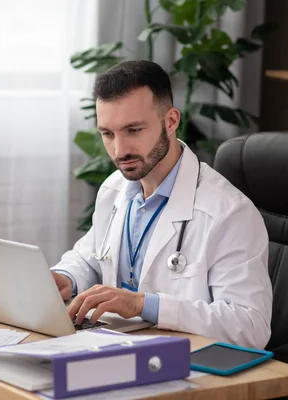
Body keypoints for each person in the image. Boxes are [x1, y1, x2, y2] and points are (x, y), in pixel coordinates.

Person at [51, 60, 272, 349]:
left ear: (170, 121)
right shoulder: (114, 189)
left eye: (133, 130)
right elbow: (92, 257)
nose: (119, 150)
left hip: (191, 368)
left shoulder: (228, 212)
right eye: (108, 134)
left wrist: (144, 305)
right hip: (121, 348)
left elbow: (250, 326)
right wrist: (66, 278)